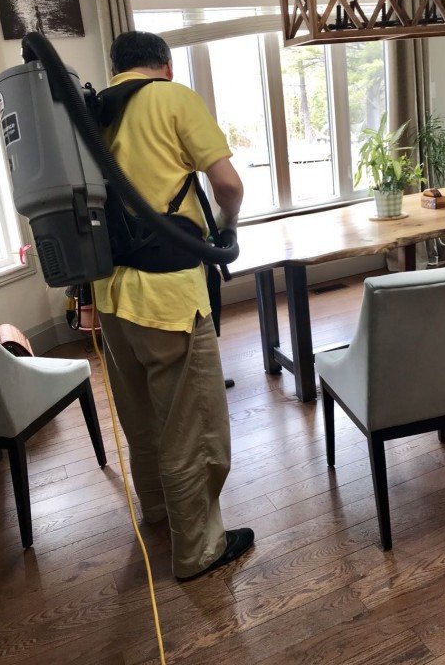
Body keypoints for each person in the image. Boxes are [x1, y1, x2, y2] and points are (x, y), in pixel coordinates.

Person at [93, 30, 253, 580]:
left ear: (116, 68)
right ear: (165, 65)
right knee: (191, 423)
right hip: (168, 295)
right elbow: (227, 185)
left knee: (140, 414)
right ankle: (199, 549)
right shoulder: (173, 98)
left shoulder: (93, 113)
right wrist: (228, 228)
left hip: (110, 294)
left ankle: (159, 512)